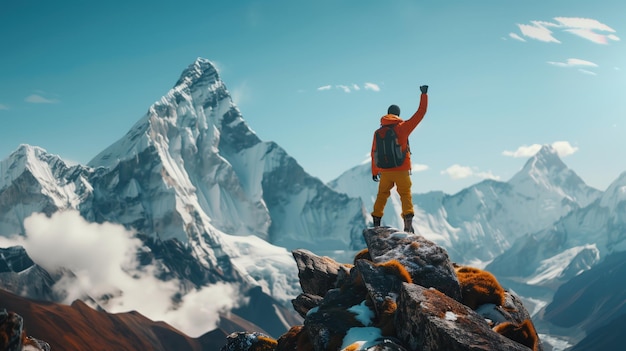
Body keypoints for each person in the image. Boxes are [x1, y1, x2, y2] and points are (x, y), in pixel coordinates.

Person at [371, 85, 429, 233]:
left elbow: (374, 152)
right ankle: (408, 225)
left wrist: (375, 171)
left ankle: (376, 222)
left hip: (385, 171)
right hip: (402, 169)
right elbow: (420, 113)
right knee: (405, 195)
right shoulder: (403, 127)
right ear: (398, 114)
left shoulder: (378, 131)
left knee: (382, 195)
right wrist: (423, 94)